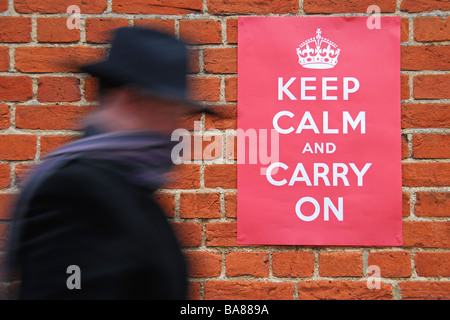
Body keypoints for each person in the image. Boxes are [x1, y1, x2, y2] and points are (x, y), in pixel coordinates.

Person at [4, 27, 212, 299]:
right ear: (132, 99)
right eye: (170, 113)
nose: (175, 129)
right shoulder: (75, 194)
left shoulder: (126, 184)